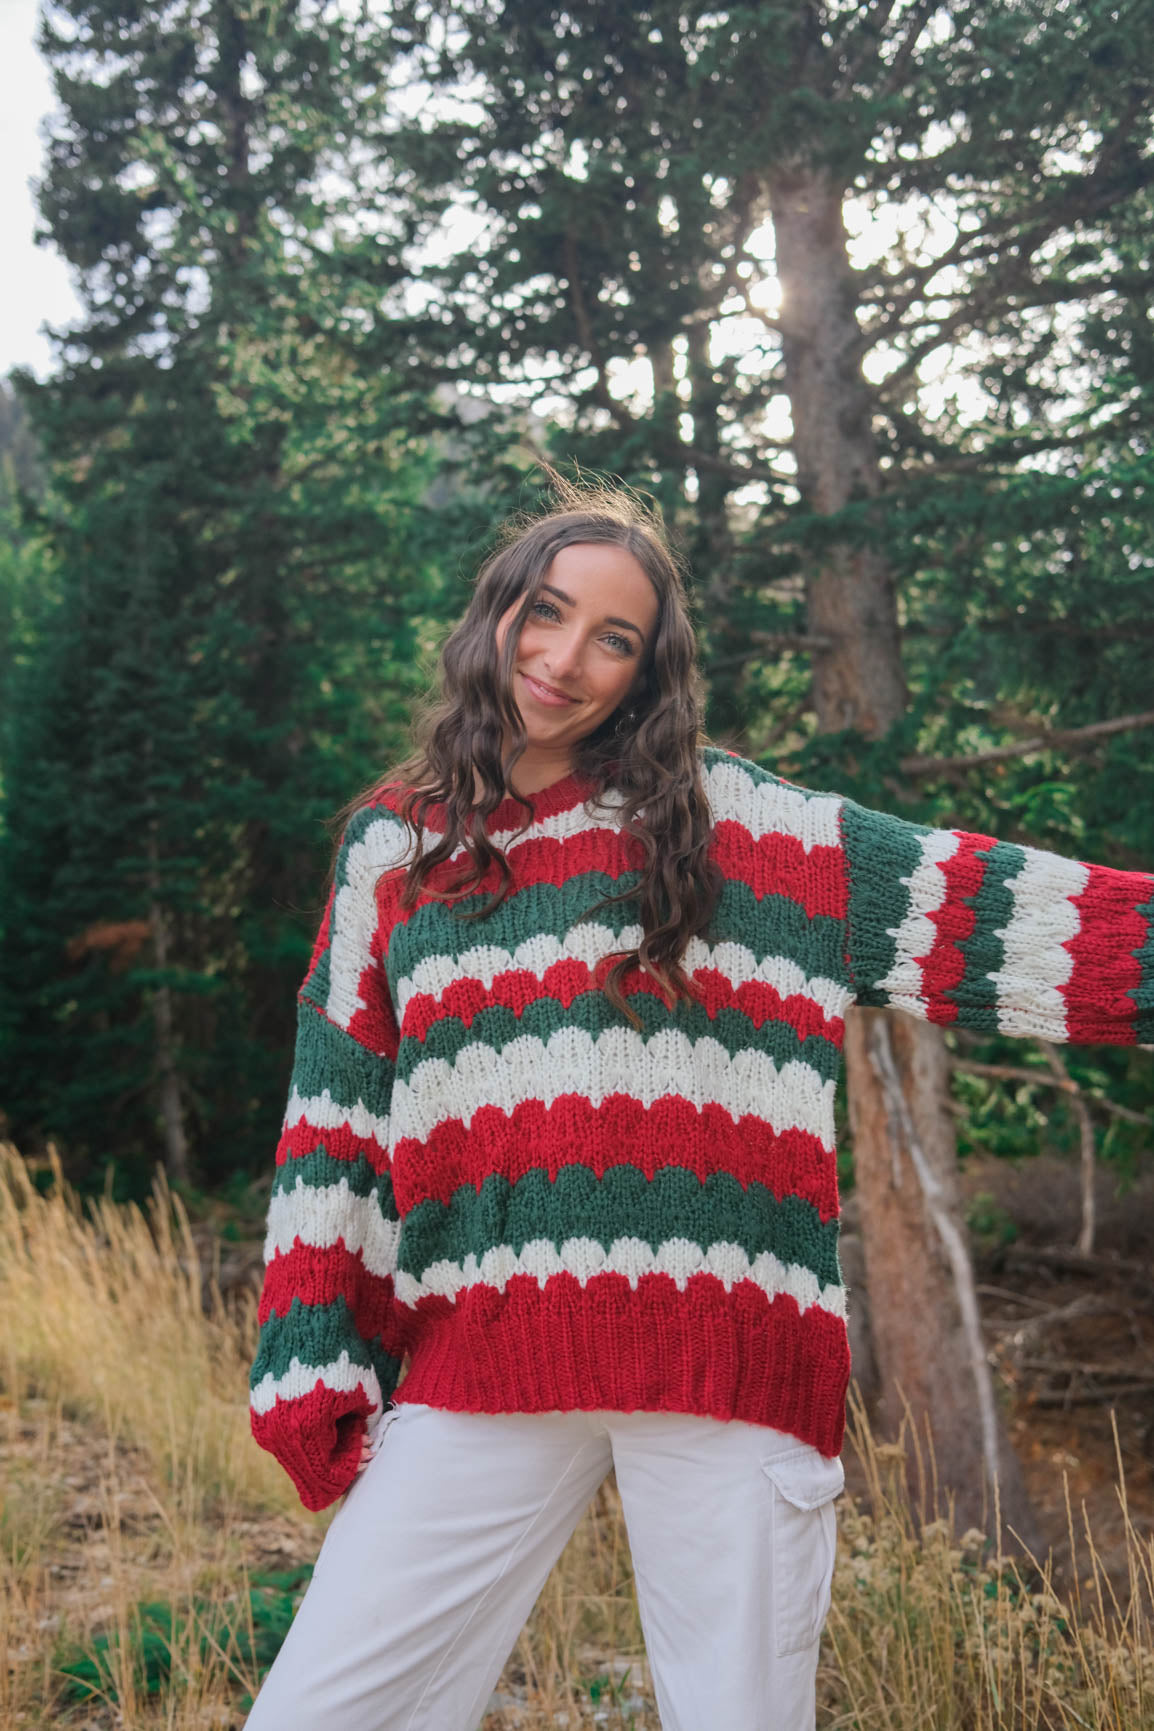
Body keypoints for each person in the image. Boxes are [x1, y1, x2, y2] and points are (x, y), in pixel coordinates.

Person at [244, 475, 1153, 1731]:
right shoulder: (392, 852)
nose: (565, 659)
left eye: (613, 638)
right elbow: (334, 1113)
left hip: (722, 1359)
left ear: (648, 668)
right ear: (493, 613)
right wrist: (306, 1344)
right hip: (480, 1357)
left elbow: (1017, 916)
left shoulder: (752, 829)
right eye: (545, 613)